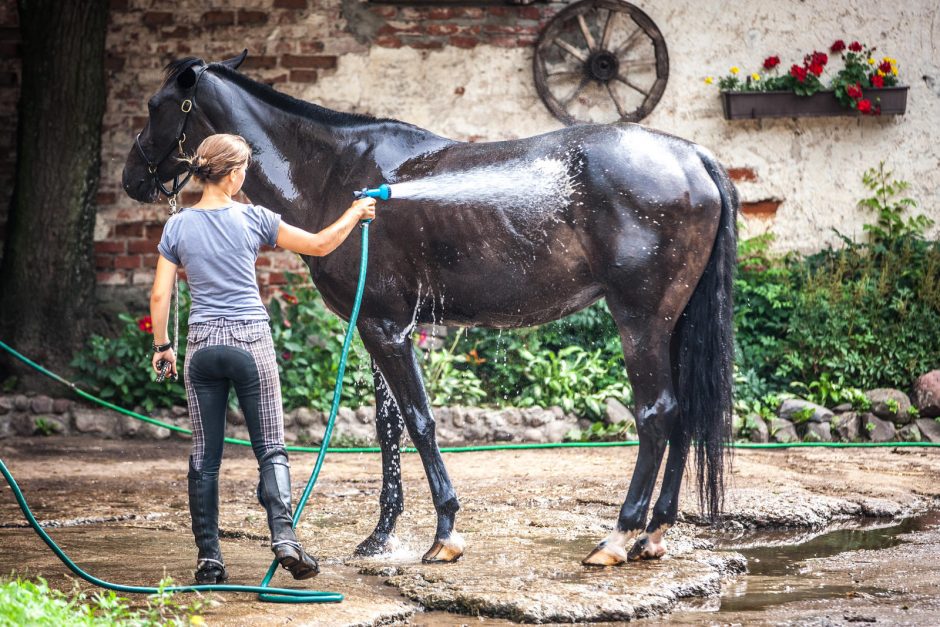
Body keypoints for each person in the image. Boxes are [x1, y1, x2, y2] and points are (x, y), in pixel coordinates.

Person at [148, 133, 376, 584]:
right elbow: (319, 245)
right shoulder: (254, 218)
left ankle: (210, 560)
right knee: (270, 448)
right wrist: (354, 212)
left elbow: (159, 294)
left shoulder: (177, 226)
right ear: (233, 175)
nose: (245, 177)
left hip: (203, 348)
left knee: (204, 457)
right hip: (250, 342)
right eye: (245, 170)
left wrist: (162, 347)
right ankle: (284, 538)